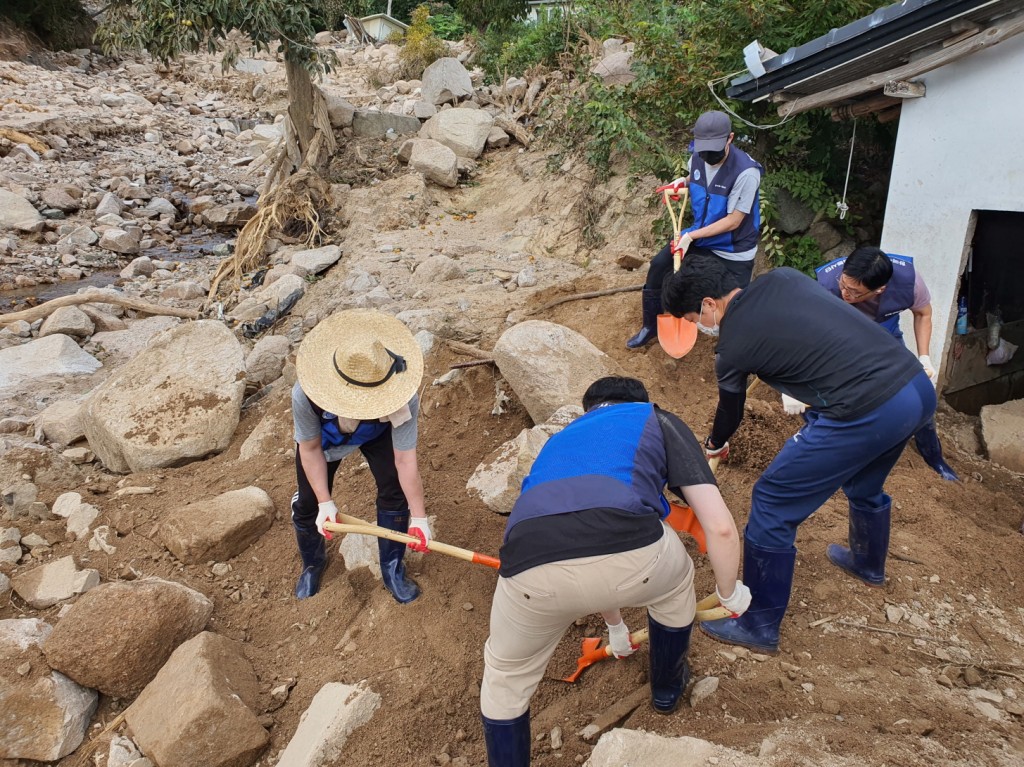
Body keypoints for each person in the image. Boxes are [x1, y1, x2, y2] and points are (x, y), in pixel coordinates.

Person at [661, 255, 936, 653]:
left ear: (708, 304)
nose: (695, 326)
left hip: (866, 409)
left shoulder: (733, 345)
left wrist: (715, 444)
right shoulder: (784, 277)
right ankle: (867, 563)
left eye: (690, 317)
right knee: (864, 481)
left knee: (772, 500)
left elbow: (730, 410)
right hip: (915, 390)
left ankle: (758, 625)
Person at [479, 376, 748, 767]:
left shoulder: (560, 441)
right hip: (633, 555)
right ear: (641, 402)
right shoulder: (656, 420)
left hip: (527, 568)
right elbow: (720, 527)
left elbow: (578, 531)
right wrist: (729, 594)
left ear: (588, 409)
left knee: (505, 678)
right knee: (675, 588)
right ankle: (667, 690)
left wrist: (617, 628)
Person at [289, 309, 431, 602]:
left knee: (395, 492)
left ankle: (392, 569)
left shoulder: (403, 398)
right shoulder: (305, 396)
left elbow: (405, 461)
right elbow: (311, 448)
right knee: (307, 504)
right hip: (326, 442)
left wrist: (420, 518)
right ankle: (313, 563)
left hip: (377, 433)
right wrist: (325, 502)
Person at [814, 246, 958, 480]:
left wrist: (924, 357)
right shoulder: (827, 285)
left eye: (853, 292)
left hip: (886, 333)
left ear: (879, 290)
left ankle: (934, 457)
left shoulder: (910, 283)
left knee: (921, 395)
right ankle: (832, 457)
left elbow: (923, 314)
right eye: (843, 284)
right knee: (839, 396)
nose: (844, 293)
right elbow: (813, 334)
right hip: (843, 336)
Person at [626, 110, 764, 349]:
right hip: (701, 238)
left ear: (730, 138)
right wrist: (684, 182)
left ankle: (736, 351)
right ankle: (650, 326)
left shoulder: (746, 172)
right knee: (659, 266)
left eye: (714, 148)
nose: (708, 155)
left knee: (735, 304)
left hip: (733, 248)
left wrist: (690, 236)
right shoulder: (697, 157)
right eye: (704, 148)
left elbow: (734, 221)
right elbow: (698, 177)